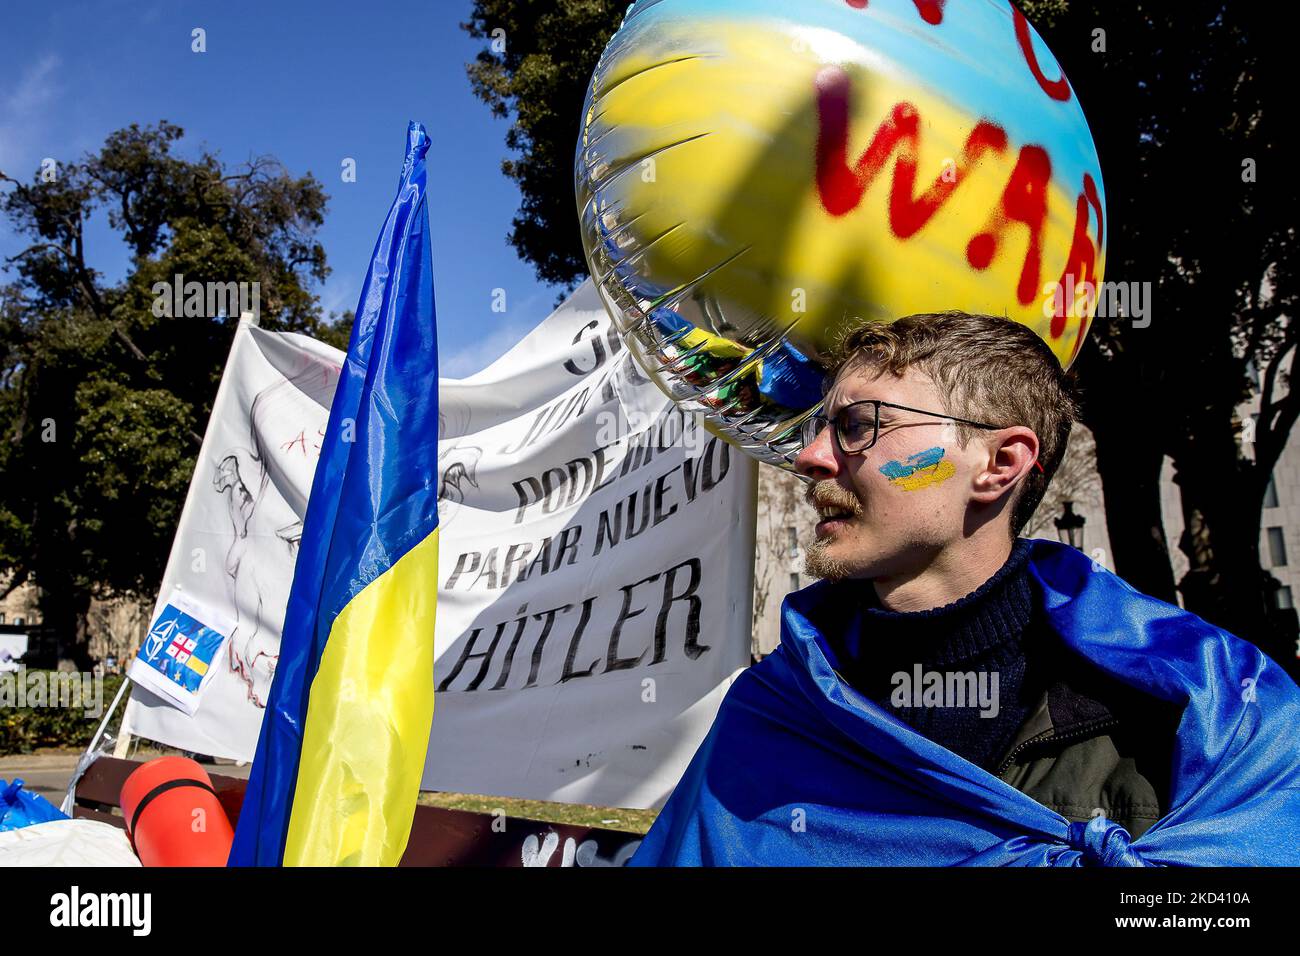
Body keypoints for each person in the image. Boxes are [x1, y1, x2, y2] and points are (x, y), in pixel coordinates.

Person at [630, 312, 1300, 866]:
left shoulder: (1214, 710)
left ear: (999, 463)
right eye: (817, 427)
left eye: (858, 425)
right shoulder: (777, 711)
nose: (810, 457)